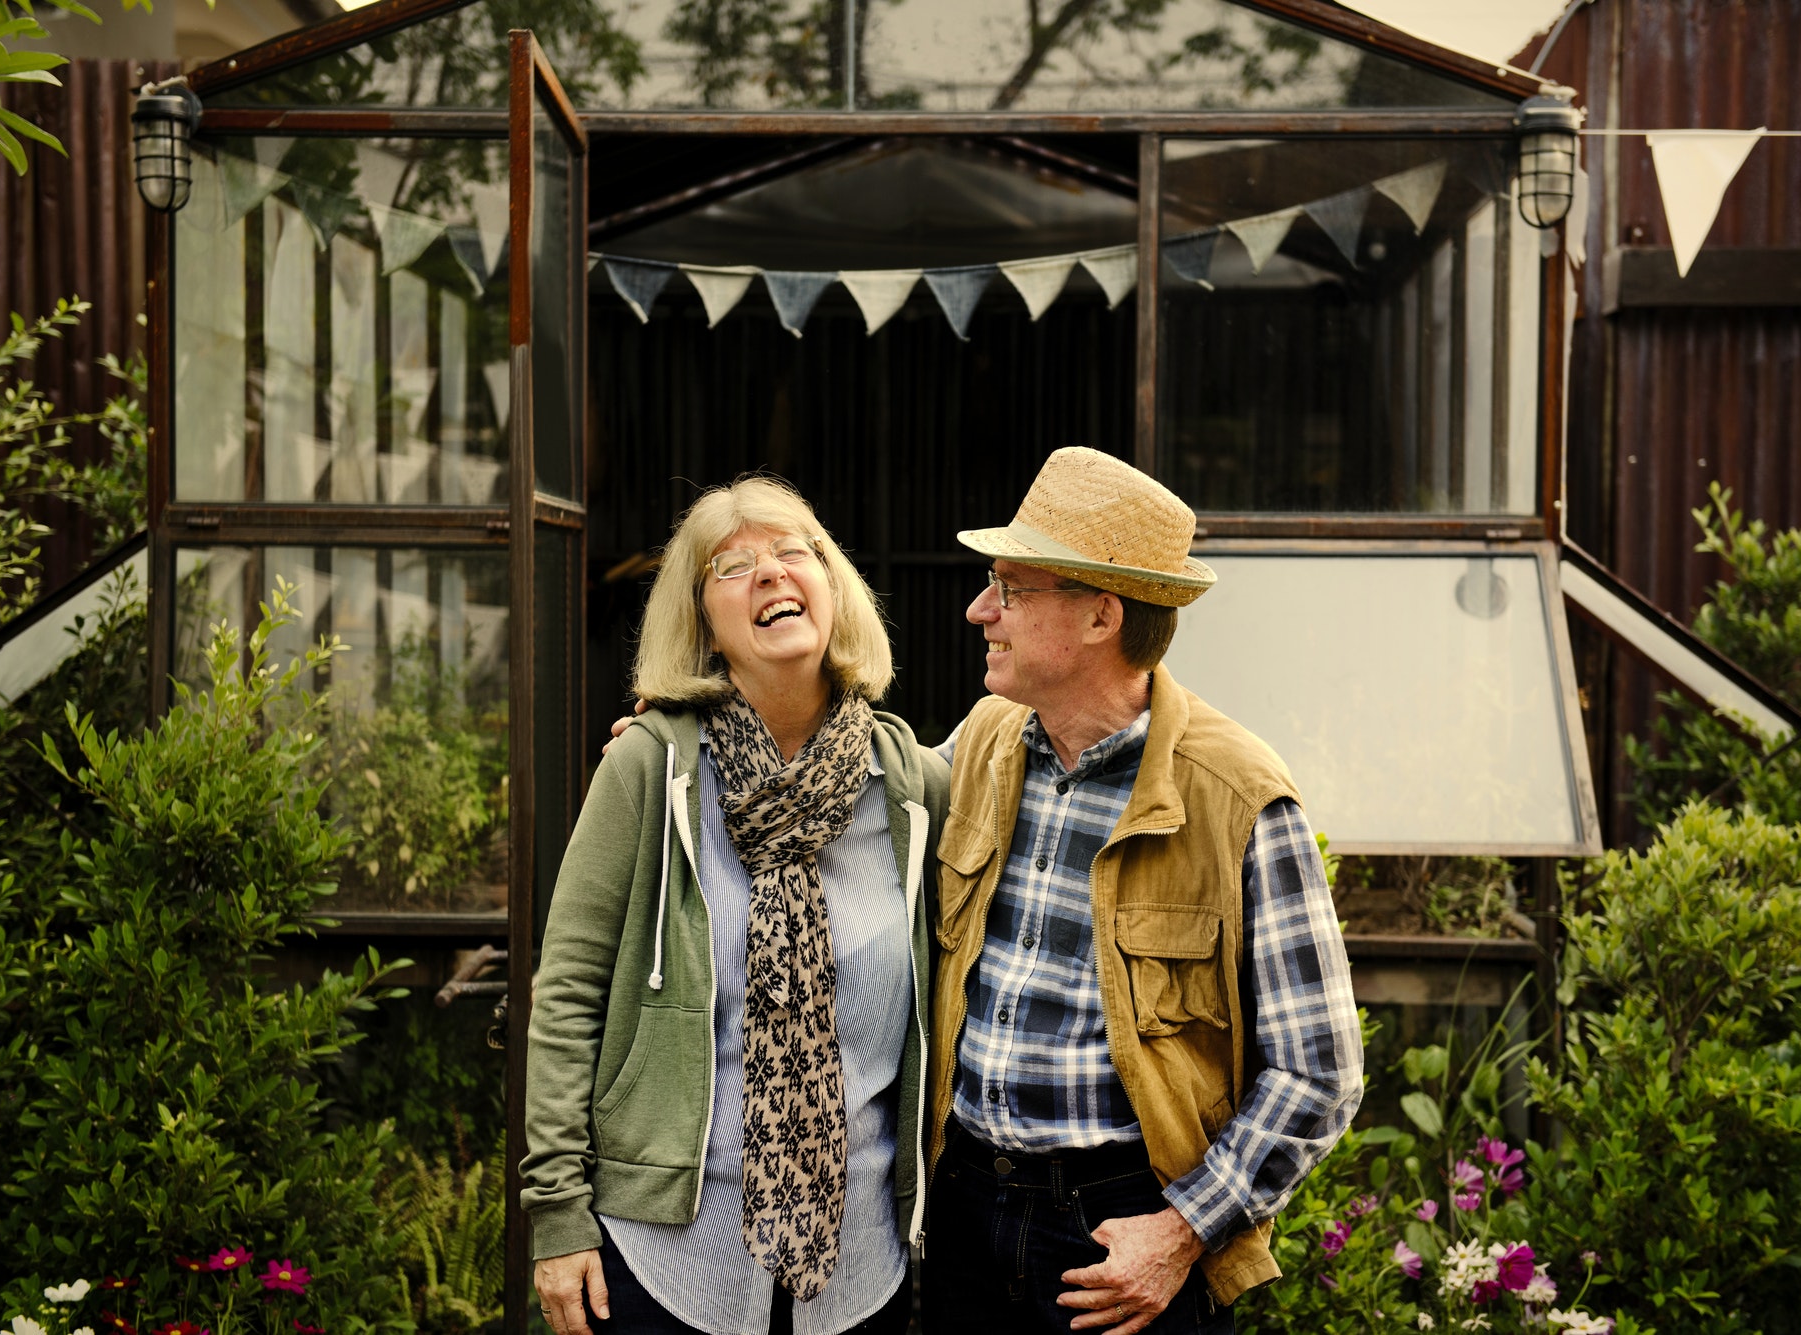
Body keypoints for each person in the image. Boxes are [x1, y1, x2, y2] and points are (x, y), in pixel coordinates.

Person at [920, 447, 1363, 1335]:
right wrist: (692, 751)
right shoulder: (984, 739)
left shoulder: (1236, 794)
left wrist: (1182, 1230)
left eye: (1010, 586)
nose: (980, 610)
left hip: (1116, 1231)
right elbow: (850, 804)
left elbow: (1320, 1070)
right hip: (964, 1207)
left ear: (1099, 615)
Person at [523, 476, 948, 1335]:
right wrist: (557, 1212)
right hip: (665, 1256)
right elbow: (567, 994)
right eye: (733, 565)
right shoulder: (650, 768)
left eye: (795, 552)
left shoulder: (913, 788)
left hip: (859, 1267)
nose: (770, 573)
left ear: (833, 586)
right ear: (703, 622)